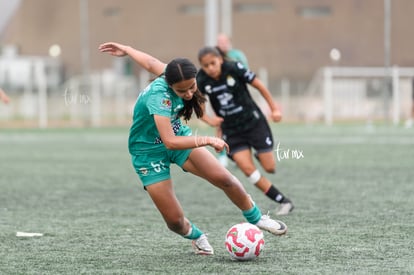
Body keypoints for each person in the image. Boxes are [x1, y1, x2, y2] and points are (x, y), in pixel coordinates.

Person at [98, 42, 287, 256]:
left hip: (180, 139)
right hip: (148, 153)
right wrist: (206, 139)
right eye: (182, 90)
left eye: (192, 87)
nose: (188, 94)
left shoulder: (172, 72)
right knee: (175, 222)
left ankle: (258, 218)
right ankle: (197, 236)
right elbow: (169, 141)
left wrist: (127, 49)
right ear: (169, 85)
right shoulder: (158, 97)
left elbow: (150, 62)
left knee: (225, 179)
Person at [196, 46, 294, 216]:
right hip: (232, 131)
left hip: (253, 123)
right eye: (206, 65)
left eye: (213, 63)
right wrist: (210, 121)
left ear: (220, 59)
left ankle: (258, 153)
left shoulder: (234, 68)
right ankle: (283, 201)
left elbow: (260, 86)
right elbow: (198, 107)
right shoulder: (202, 79)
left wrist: (274, 109)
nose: (210, 68)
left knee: (270, 167)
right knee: (249, 171)